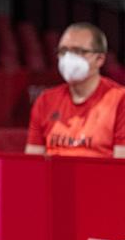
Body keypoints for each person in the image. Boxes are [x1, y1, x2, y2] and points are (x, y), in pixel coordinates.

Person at [25, 22, 125, 158]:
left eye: (78, 51)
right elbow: (32, 162)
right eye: (63, 51)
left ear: (99, 59)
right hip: (54, 178)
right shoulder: (45, 100)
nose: (68, 58)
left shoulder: (120, 100)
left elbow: (120, 167)